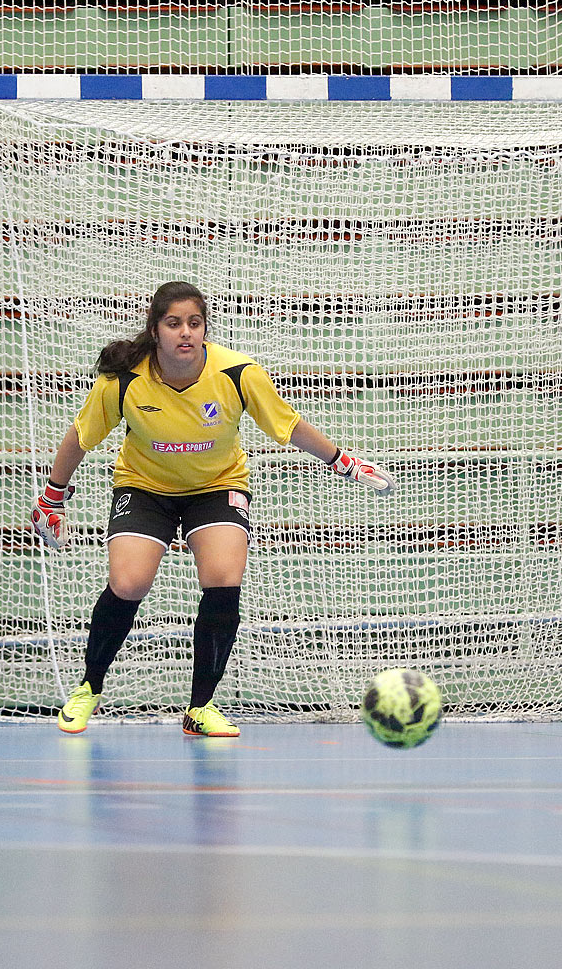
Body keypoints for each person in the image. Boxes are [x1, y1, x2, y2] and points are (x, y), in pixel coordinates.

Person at [30, 281, 394, 737]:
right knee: (129, 582)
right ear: (156, 330)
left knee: (223, 576)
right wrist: (52, 496)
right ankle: (88, 687)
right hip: (145, 487)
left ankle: (200, 707)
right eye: (173, 323)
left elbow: (289, 425)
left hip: (216, 485)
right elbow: (79, 437)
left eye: (194, 323)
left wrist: (342, 461)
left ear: (204, 329)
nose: (185, 332)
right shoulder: (122, 380)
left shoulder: (238, 374)